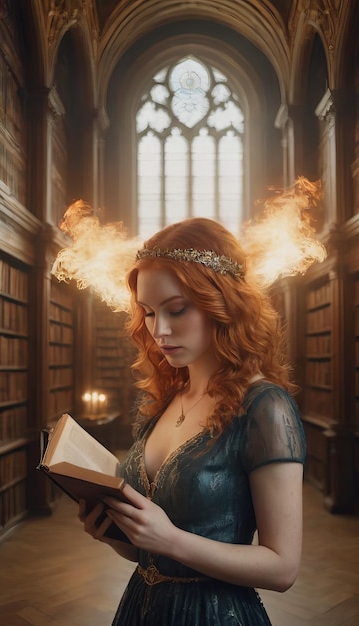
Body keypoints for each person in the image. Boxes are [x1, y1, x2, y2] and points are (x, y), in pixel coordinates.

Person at [78, 217, 306, 625]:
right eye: (148, 313)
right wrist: (116, 535)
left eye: (177, 309)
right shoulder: (166, 397)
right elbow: (149, 550)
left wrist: (171, 540)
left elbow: (282, 568)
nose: (159, 330)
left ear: (223, 303)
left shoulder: (265, 408)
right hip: (138, 609)